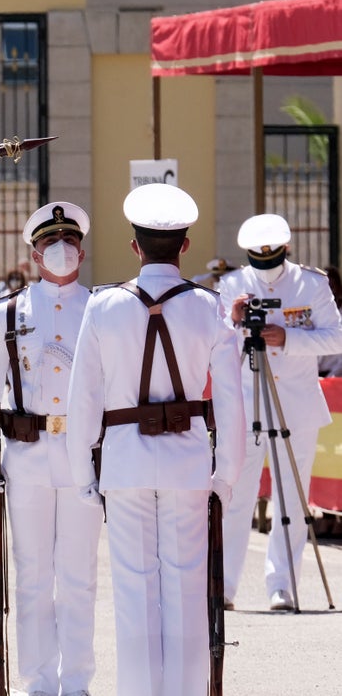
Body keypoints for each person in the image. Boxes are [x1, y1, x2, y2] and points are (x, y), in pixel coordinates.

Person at [67, 183, 245, 696]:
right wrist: (226, 476)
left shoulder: (101, 307)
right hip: (189, 464)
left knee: (134, 590)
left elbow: (83, 399)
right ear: (185, 246)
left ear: (134, 247)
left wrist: (84, 473)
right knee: (187, 588)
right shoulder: (211, 307)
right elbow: (231, 403)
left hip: (124, 465)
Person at [0, 201, 102, 696]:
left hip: (82, 455)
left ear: (82, 251)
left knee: (79, 577)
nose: (61, 250)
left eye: (68, 241)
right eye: (50, 243)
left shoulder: (101, 308)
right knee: (31, 577)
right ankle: (39, 683)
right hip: (26, 454)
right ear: (34, 254)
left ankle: (77, 682)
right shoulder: (7, 313)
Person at [218, 214, 342, 611]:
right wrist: (235, 323)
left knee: (292, 497)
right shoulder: (233, 283)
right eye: (259, 262)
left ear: (286, 250)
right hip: (246, 400)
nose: (266, 273)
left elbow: (335, 337)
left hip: (296, 402)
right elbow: (214, 343)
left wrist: (289, 338)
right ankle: (225, 586)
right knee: (237, 496)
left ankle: (282, 585)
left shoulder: (312, 283)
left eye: (272, 261)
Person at [316, 266, 342, 377]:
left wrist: (332, 376)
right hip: (314, 375)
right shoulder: (313, 313)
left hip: (336, 375)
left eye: (332, 287)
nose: (329, 292)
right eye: (326, 288)